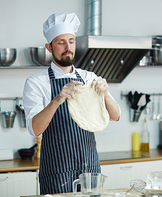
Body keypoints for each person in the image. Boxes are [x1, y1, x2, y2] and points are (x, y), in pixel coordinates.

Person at [23, 13, 120, 194]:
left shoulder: (88, 78)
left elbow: (116, 115)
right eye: (61, 42)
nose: (68, 48)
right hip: (57, 174)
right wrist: (57, 101)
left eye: (72, 41)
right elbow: (35, 129)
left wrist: (105, 94)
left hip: (90, 172)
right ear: (49, 47)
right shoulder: (36, 83)